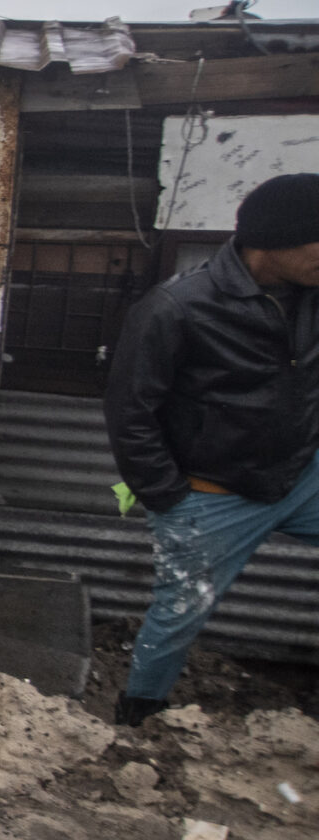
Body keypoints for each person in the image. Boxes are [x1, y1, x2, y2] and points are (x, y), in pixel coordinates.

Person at [105, 173, 319, 726]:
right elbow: (131, 413)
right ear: (271, 242)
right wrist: (169, 499)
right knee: (180, 613)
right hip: (211, 494)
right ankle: (138, 720)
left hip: (300, 476)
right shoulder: (177, 307)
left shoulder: (311, 294)